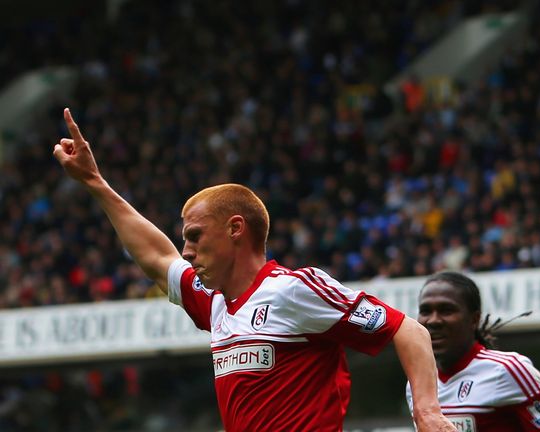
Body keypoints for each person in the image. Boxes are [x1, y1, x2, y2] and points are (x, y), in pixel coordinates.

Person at [53, 108, 456, 432]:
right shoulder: (213, 302)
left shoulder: (293, 290)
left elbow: (408, 329)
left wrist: (427, 411)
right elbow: (157, 259)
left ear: (235, 230)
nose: (187, 251)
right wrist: (95, 183)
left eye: (194, 236)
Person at [406, 271, 540, 431]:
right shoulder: (416, 383)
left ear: (474, 319)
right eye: (426, 311)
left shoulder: (509, 370)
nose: (433, 320)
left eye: (446, 310)